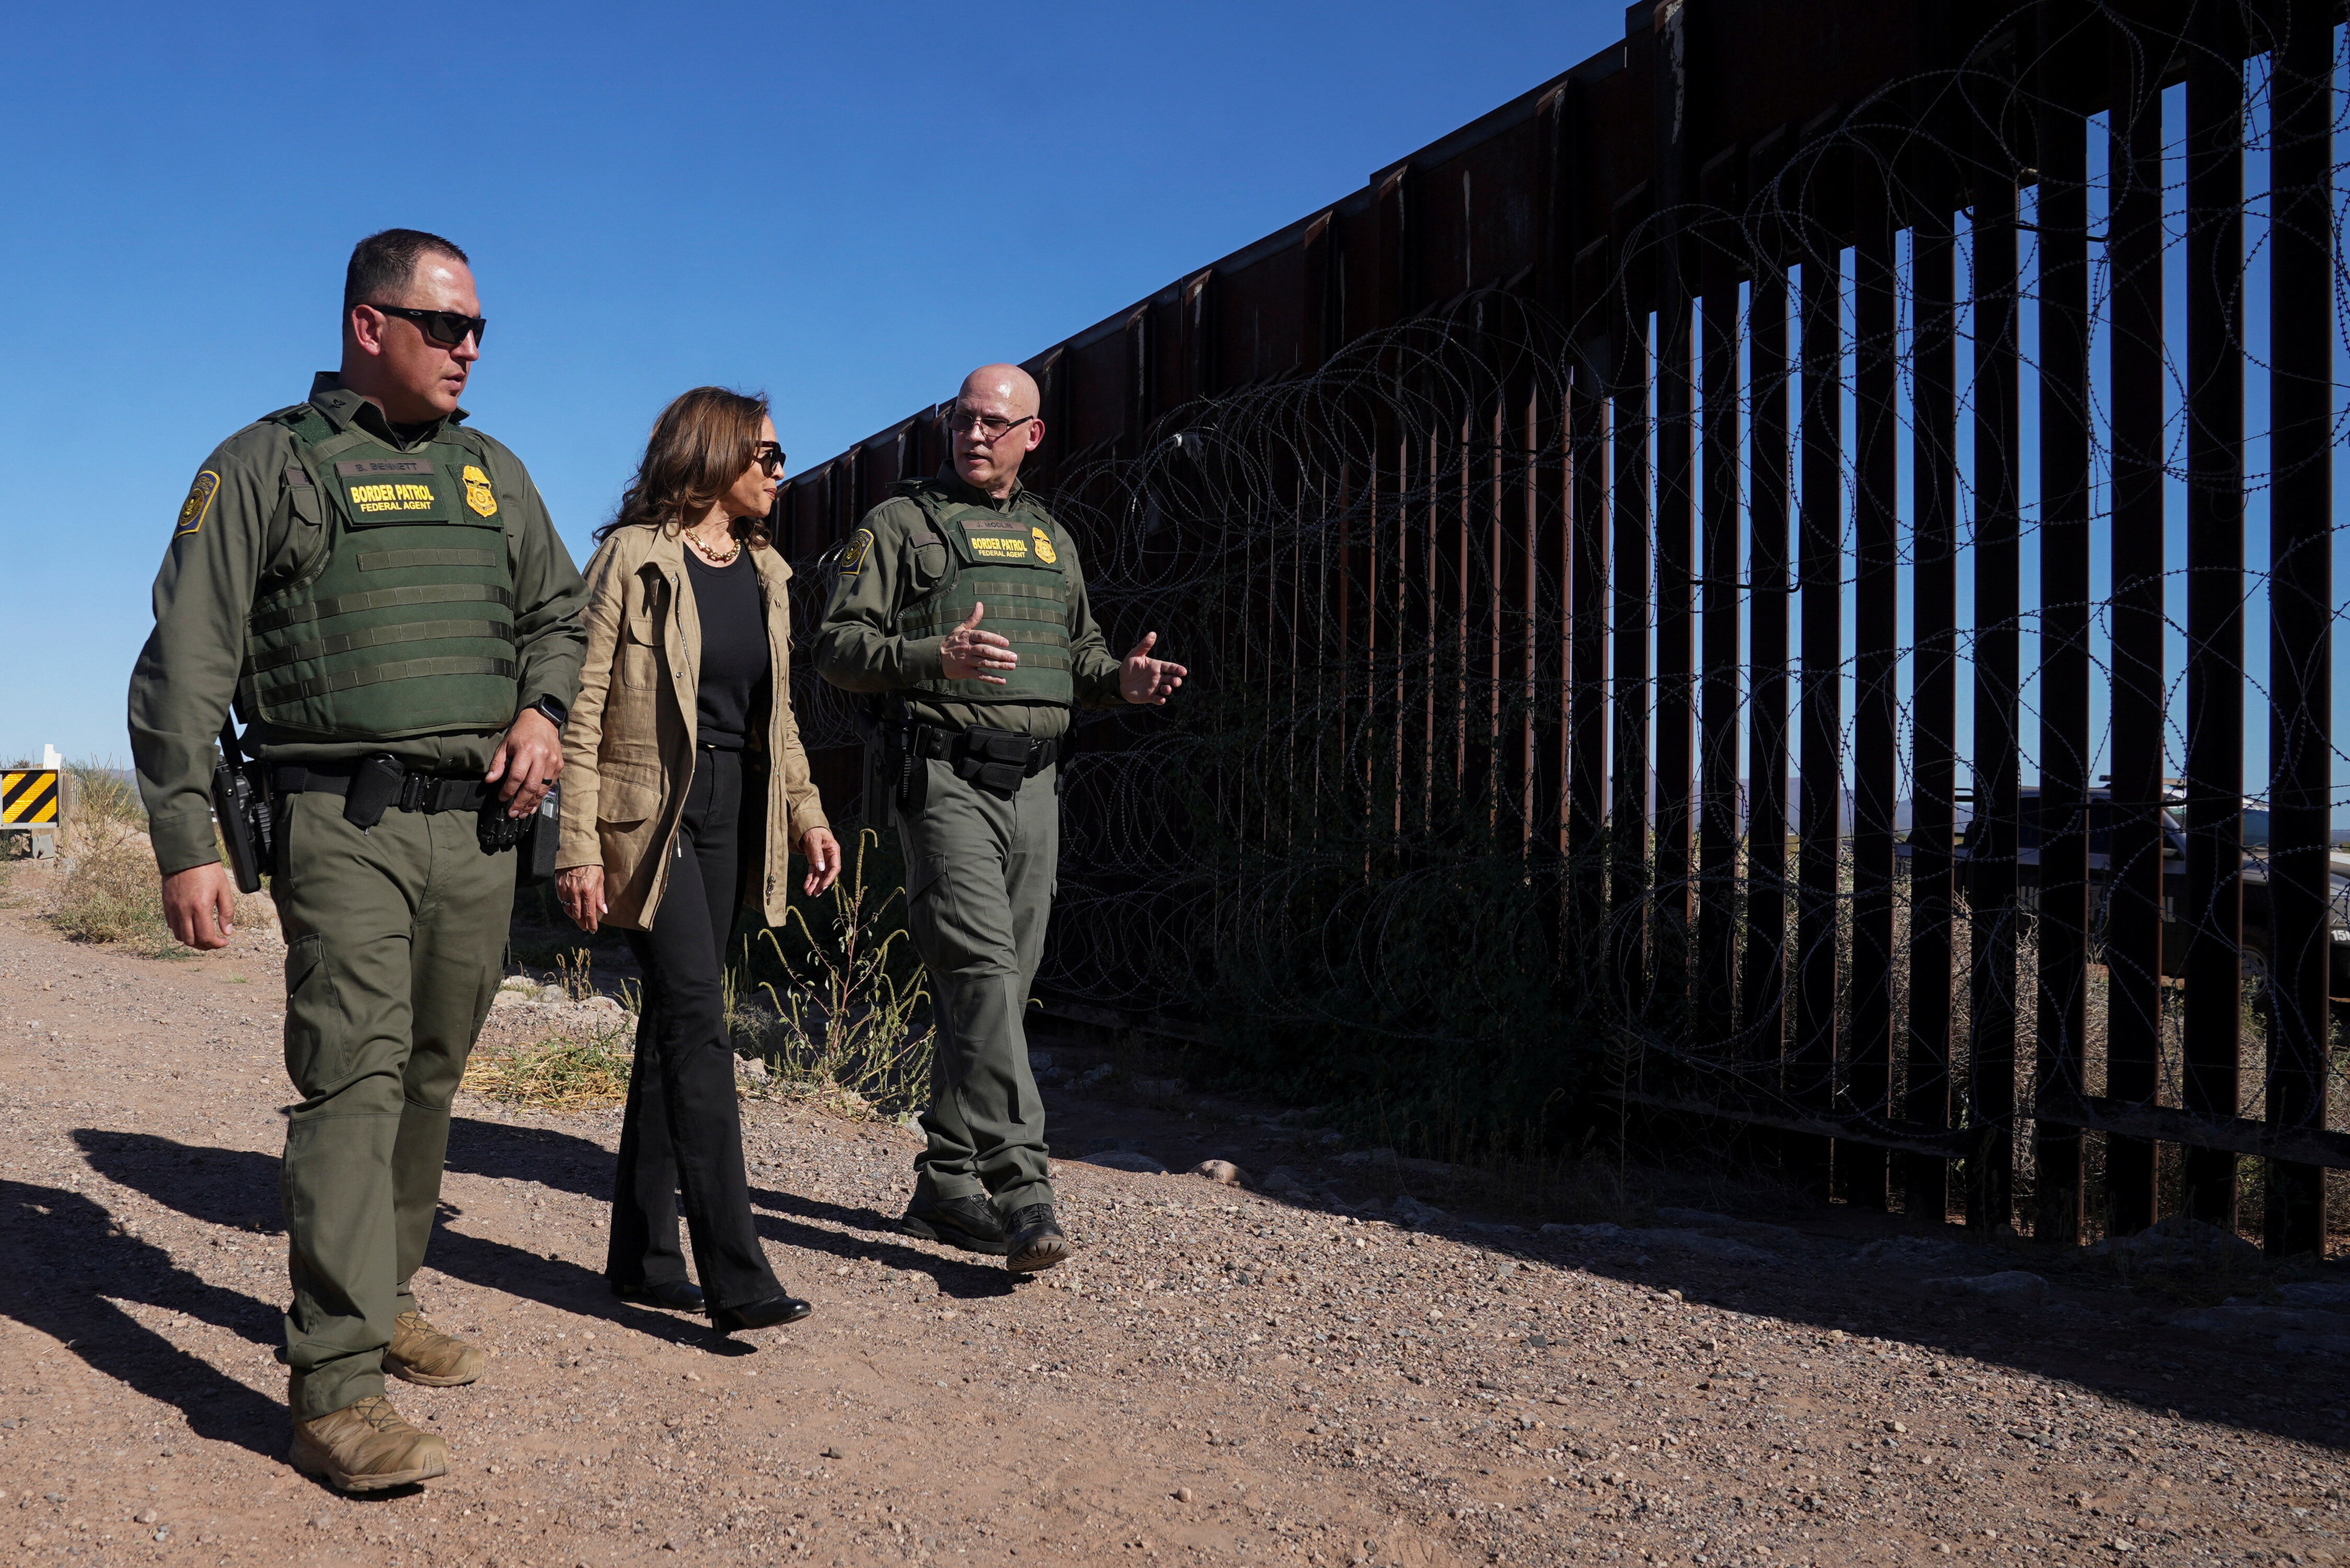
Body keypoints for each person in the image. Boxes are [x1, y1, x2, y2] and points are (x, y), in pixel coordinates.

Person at [128, 229, 587, 1490]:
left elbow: (560, 613)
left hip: (479, 828)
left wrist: (543, 709)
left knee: (432, 1079)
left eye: (480, 328)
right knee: (355, 1081)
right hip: (344, 821)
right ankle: (333, 1384)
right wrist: (186, 841)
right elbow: (183, 667)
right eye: (447, 326)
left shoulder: (495, 473)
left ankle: (380, 1300)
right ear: (368, 327)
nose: (471, 349)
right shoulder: (266, 465)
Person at [813, 363, 1186, 1273]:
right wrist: (935, 654)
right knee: (980, 974)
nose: (975, 436)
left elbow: (1083, 653)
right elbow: (835, 647)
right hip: (944, 782)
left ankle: (945, 1183)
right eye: (964, 421)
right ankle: (1024, 1192)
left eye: (995, 423)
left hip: (1037, 790)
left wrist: (1122, 683)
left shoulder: (1053, 541)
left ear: (1034, 435)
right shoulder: (900, 525)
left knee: (1000, 995)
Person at [554, 388, 839, 1333]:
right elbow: (584, 708)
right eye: (765, 453)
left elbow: (779, 716)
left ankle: (641, 1256)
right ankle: (737, 1273)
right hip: (651, 817)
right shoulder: (633, 559)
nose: (778, 470)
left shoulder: (767, 574)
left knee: (672, 1030)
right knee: (699, 1030)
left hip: (734, 810)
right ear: (715, 455)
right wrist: (578, 845)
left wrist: (807, 815)